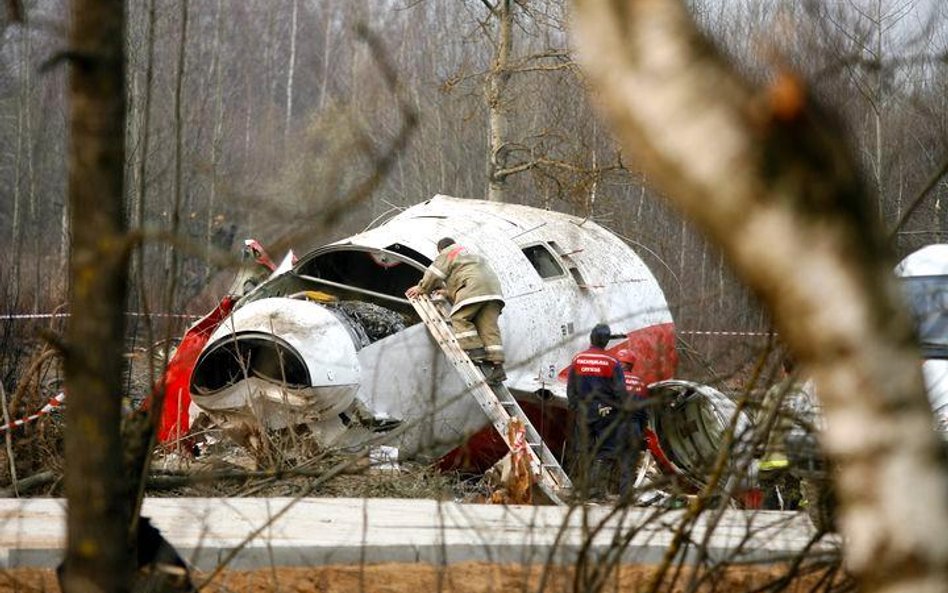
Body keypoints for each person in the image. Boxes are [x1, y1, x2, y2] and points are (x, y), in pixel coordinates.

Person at [406, 237, 507, 384]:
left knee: (459, 318)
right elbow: (467, 275)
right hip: (493, 292)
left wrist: (422, 288)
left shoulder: (449, 252)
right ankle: (498, 368)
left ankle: (475, 351)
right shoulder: (472, 254)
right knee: (488, 329)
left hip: (474, 287)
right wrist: (447, 292)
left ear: (440, 249)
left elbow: (435, 273)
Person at [566, 324, 643, 500]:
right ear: (606, 341)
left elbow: (571, 390)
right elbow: (621, 393)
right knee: (605, 451)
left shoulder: (578, 359)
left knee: (583, 450)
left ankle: (582, 490)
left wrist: (577, 408)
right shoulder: (612, 362)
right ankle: (597, 491)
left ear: (591, 338)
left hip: (584, 411)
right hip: (605, 413)